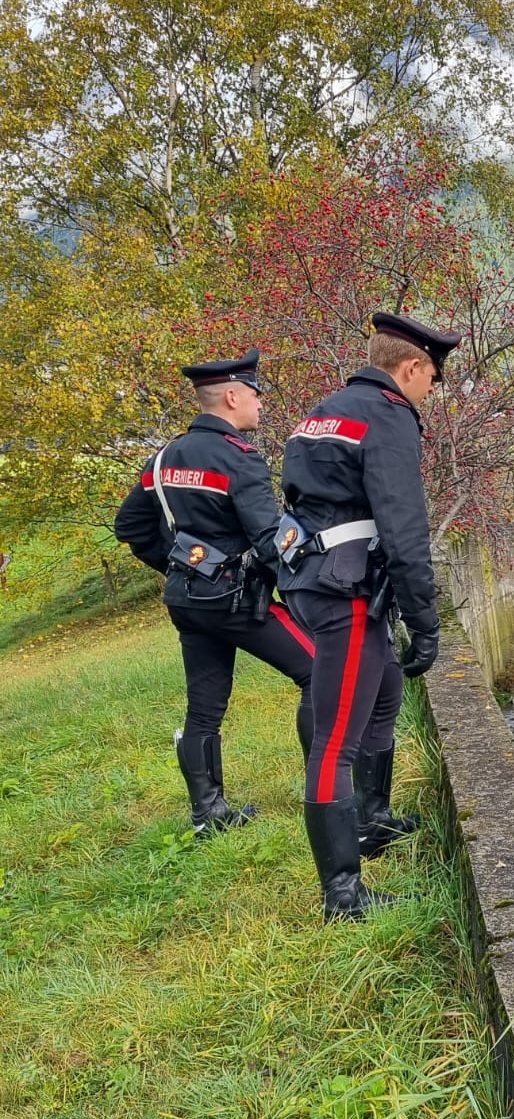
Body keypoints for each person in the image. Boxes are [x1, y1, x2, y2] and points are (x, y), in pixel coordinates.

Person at [277, 312, 459, 921]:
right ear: (410, 368)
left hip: (314, 576)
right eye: (433, 375)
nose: (433, 388)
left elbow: (303, 500)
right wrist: (425, 621)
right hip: (343, 594)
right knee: (334, 743)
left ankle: (373, 821)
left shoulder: (324, 410)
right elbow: (406, 529)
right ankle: (344, 896)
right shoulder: (387, 415)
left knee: (384, 690)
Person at [114, 350, 315, 838]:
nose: (260, 404)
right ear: (231, 396)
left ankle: (208, 813)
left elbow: (130, 526)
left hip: (188, 601)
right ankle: (327, 790)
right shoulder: (239, 460)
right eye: (255, 394)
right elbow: (272, 544)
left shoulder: (162, 459)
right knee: (319, 668)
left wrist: (182, 565)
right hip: (238, 603)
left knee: (204, 706)